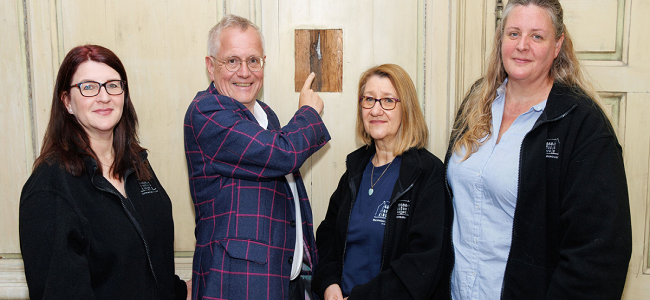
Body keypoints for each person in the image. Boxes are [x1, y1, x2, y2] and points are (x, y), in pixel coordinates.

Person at [446, 0, 632, 299]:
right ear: (500, 39)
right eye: (513, 33)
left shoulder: (583, 126)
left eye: (537, 36)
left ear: (557, 45)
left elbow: (599, 256)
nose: (522, 46)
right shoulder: (476, 103)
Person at [19, 45, 188, 299]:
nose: (104, 97)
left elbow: (143, 263)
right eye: (88, 87)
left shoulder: (137, 164)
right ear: (67, 102)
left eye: (112, 85)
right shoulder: (50, 188)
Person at [183, 15, 330, 299]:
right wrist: (308, 114)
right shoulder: (207, 111)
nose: (245, 72)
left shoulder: (266, 115)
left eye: (253, 61)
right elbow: (283, 154)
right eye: (232, 61)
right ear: (211, 66)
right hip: (236, 286)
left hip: (282, 281)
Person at [312, 64, 452, 300]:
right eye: (369, 99)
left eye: (388, 101)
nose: (376, 110)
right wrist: (329, 284)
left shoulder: (427, 173)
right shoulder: (355, 170)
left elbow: (423, 264)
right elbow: (327, 238)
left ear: (405, 108)